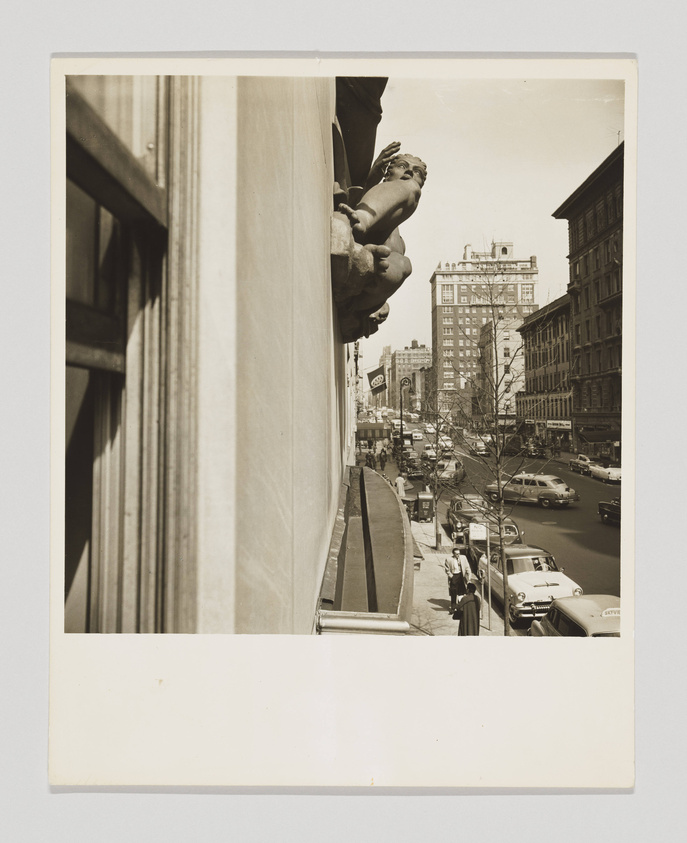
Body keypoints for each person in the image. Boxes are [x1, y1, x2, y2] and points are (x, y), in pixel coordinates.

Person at [444, 548, 470, 614]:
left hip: (461, 576)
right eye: (456, 554)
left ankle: (460, 608)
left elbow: (467, 566)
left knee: (461, 593)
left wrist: (468, 574)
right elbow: (447, 570)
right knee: (453, 593)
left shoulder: (463, 558)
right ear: (453, 554)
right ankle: (453, 608)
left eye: (459, 553)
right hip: (454, 576)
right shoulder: (448, 559)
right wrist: (451, 576)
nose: (458, 555)